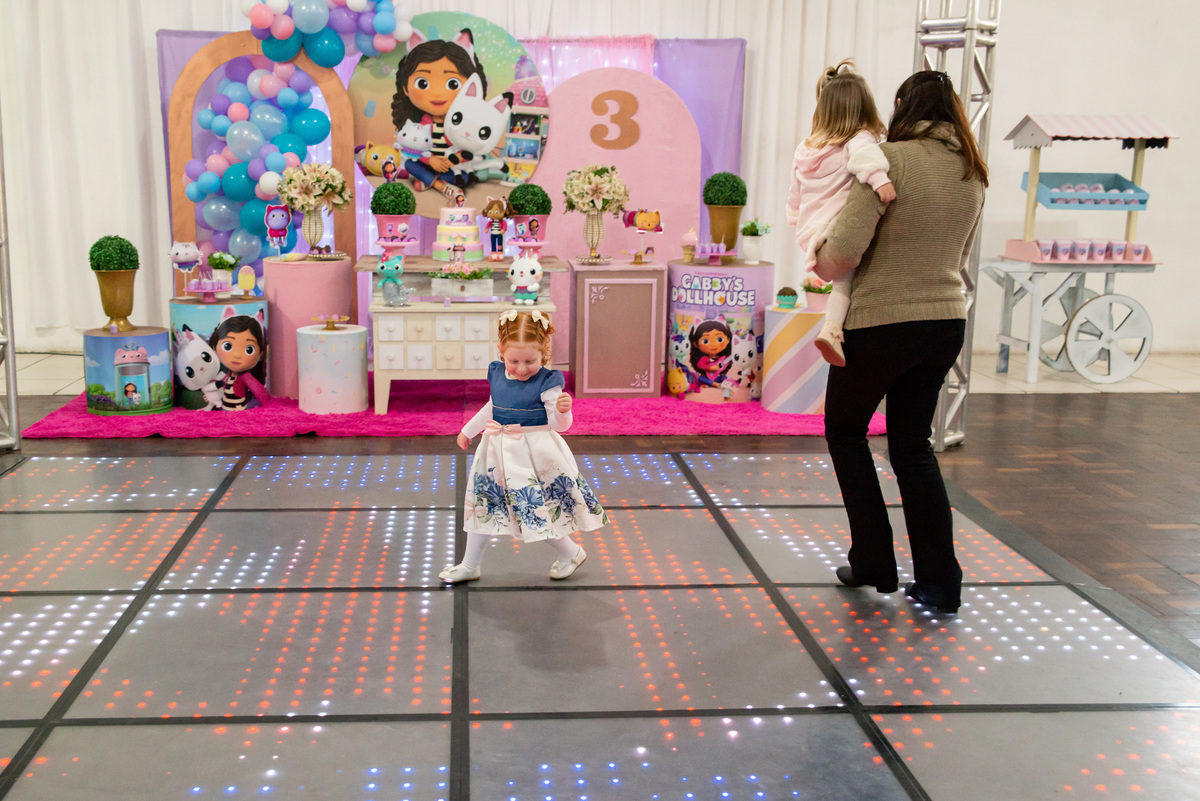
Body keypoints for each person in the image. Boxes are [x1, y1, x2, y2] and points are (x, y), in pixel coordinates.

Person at [812, 70, 987, 615]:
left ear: (903, 106)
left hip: (882, 321)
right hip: (945, 322)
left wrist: (818, 258)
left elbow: (842, 253)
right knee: (912, 447)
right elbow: (957, 256)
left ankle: (873, 561)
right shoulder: (973, 171)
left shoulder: (891, 160)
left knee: (845, 431)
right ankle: (940, 582)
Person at [440, 309, 609, 583]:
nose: (520, 368)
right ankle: (470, 564)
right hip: (495, 451)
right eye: (513, 360)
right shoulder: (497, 374)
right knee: (483, 505)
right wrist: (468, 429)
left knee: (531, 511)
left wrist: (564, 411)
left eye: (529, 361)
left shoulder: (548, 382)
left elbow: (558, 424)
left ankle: (571, 552)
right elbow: (491, 408)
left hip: (532, 457)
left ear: (545, 351)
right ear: (501, 352)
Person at [785, 59, 896, 367]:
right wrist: (881, 181)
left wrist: (794, 217)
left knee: (839, 280)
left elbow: (794, 193)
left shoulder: (806, 147)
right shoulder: (857, 138)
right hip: (833, 230)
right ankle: (832, 330)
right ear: (864, 109)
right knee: (845, 283)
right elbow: (866, 159)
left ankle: (833, 328)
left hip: (810, 231)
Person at [391, 29, 486, 204]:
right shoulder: (418, 124)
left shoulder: (463, 123)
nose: (437, 93)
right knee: (411, 164)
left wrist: (452, 160)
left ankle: (429, 182)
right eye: (423, 83)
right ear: (405, 87)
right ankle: (441, 187)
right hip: (429, 164)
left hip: (451, 168)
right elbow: (414, 150)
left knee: (462, 178)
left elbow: (468, 150)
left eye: (452, 83)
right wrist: (431, 160)